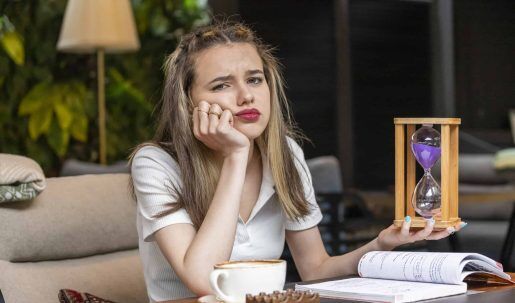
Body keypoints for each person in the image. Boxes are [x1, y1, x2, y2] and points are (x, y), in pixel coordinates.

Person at [130, 21, 466, 303]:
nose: (246, 96)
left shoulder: (285, 153)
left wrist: (382, 243)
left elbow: (316, 269)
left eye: (254, 79)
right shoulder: (156, 164)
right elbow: (203, 281)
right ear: (189, 103)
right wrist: (236, 155)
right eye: (222, 85)